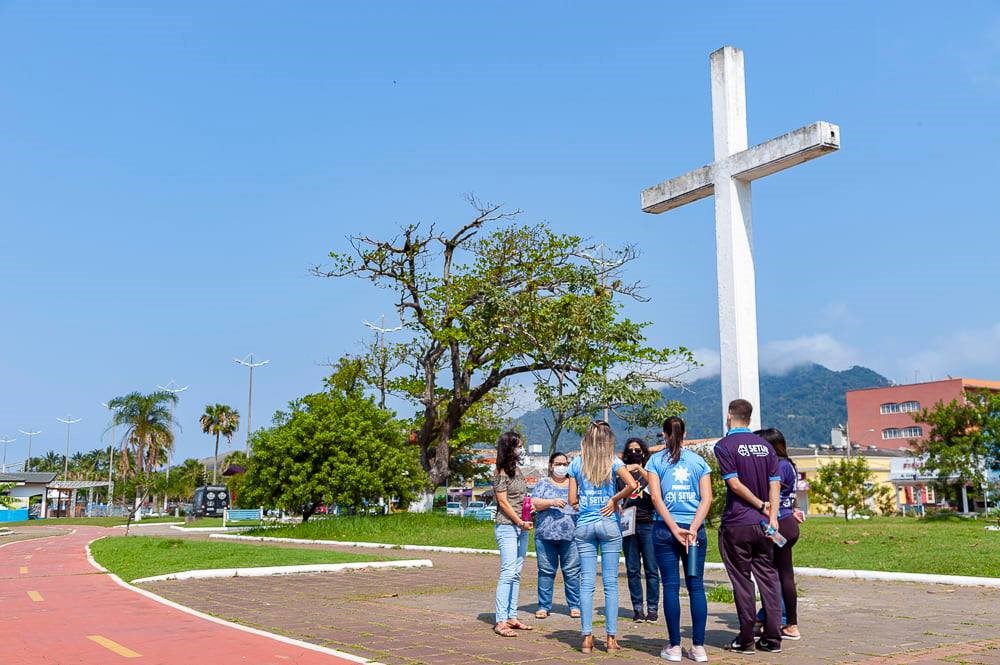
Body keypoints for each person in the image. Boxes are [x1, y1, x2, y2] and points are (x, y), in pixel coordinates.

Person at [714, 399, 783, 654]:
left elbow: (734, 485)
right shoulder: (766, 446)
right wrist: (772, 515)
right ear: (750, 419)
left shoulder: (724, 446)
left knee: (742, 581)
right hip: (765, 525)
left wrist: (758, 504)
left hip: (737, 523)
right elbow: (775, 484)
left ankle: (746, 639)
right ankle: (773, 638)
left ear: (729, 416)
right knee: (769, 578)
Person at [568, 420, 638, 654]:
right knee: (610, 584)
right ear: (608, 441)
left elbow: (571, 500)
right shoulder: (613, 461)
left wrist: (585, 502)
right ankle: (610, 639)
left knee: (586, 584)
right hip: (609, 525)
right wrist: (614, 500)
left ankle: (586, 638)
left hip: (585, 526)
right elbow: (632, 485)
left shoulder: (577, 463)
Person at [647, 416, 711, 663]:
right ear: (685, 434)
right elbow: (706, 499)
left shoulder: (655, 461)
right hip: (694, 531)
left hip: (665, 529)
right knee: (696, 586)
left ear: (664, 434)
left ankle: (674, 646)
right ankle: (698, 647)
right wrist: (692, 528)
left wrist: (674, 528)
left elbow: (655, 498)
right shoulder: (699, 462)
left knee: (671, 586)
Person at [754, 428, 805, 641]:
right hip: (788, 524)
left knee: (774, 575)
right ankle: (773, 619)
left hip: (778, 526)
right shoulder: (789, 465)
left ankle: (785, 621)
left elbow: (768, 495)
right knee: (783, 573)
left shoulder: (777, 467)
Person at [491, 431, 534, 637]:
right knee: (507, 571)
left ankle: (511, 615)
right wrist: (518, 521)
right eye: (518, 445)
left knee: (516, 573)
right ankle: (500, 620)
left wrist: (527, 515)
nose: (521, 449)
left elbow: (521, 498)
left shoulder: (518, 470)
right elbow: (503, 502)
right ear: (510, 448)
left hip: (522, 525)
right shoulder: (500, 471)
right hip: (507, 526)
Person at [532, 451, 582, 620]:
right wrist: (551, 502)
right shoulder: (543, 483)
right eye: (558, 464)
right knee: (546, 571)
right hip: (545, 535)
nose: (561, 467)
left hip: (571, 535)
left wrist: (577, 507)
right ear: (551, 466)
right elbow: (533, 503)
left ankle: (575, 605)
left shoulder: (574, 483)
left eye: (564, 464)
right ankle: (544, 606)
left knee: (572, 571)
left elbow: (582, 503)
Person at [618, 437, 660, 623]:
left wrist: (640, 469)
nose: (634, 453)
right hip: (628, 523)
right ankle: (637, 608)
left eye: (638, 449)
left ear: (643, 452)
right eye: (631, 450)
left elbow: (656, 487)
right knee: (632, 568)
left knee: (651, 568)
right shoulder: (620, 473)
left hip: (648, 522)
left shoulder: (650, 470)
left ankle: (652, 608)